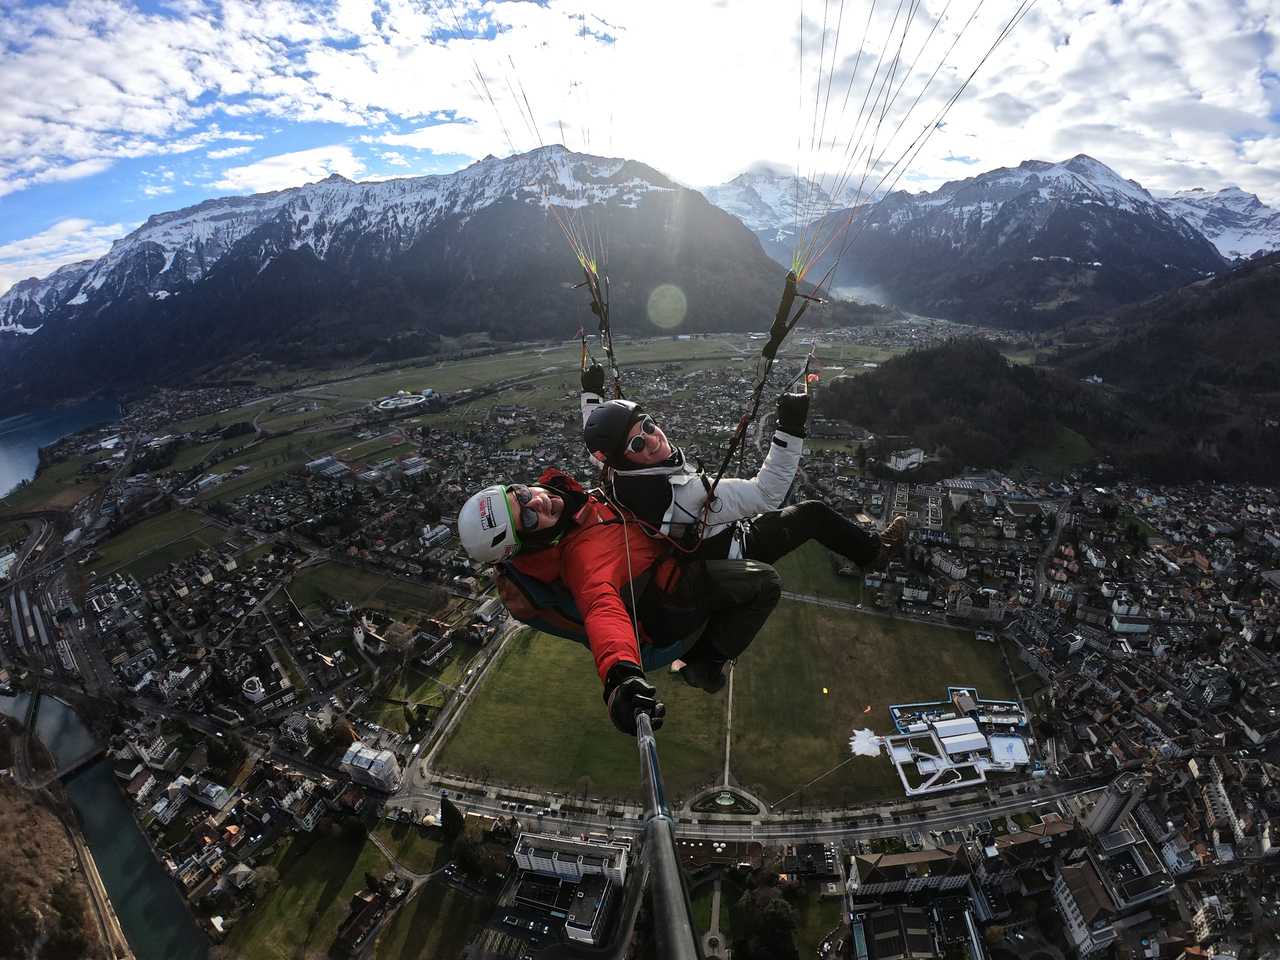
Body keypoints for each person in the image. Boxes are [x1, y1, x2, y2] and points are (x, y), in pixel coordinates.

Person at [580, 362, 907, 686]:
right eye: (637, 444)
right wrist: (790, 429)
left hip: (691, 556)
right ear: (623, 458)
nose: (652, 440)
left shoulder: (615, 475)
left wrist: (591, 394)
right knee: (812, 515)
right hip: (732, 550)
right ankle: (875, 553)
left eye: (648, 426)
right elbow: (768, 492)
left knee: (805, 515)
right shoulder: (686, 494)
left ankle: (703, 659)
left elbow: (599, 450)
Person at [457, 469, 781, 736]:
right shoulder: (580, 561)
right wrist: (620, 678)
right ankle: (705, 665)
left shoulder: (577, 507)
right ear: (528, 545)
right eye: (527, 520)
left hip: (662, 576)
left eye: (522, 495)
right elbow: (602, 610)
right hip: (666, 626)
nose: (538, 502)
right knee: (764, 583)